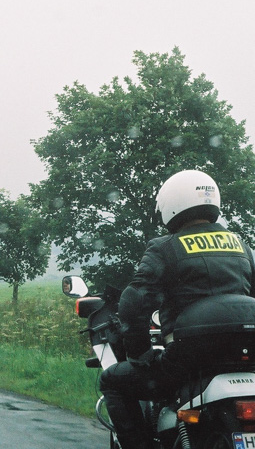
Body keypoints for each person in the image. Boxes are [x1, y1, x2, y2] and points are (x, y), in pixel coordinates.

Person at [99, 169, 255, 449]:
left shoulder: (165, 248)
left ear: (171, 204)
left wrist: (140, 355)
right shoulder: (242, 247)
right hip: (247, 358)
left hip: (190, 361)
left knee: (113, 380)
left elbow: (134, 302)